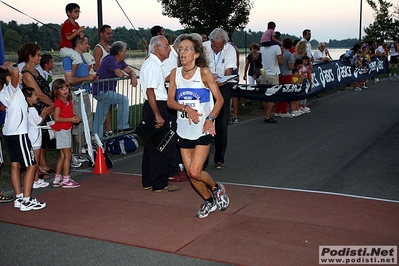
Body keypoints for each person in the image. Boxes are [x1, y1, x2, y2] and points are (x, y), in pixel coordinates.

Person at [167, 34, 229, 218]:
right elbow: (170, 102)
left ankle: (217, 188)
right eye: (180, 49)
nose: (182, 52)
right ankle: (209, 201)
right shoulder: (175, 74)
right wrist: (184, 106)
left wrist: (210, 118)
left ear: (196, 54)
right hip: (184, 129)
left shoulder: (204, 73)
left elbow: (220, 100)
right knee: (191, 173)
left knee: (195, 170)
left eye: (187, 49)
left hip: (203, 128)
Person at [0, 62, 46, 211]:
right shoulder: (10, 90)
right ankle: (26, 199)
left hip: (10, 132)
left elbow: (14, 75)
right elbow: (14, 73)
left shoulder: (11, 91)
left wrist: (10, 69)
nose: (20, 76)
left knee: (15, 165)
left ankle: (19, 198)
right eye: (18, 74)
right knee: (32, 164)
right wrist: (10, 67)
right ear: (8, 77)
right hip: (18, 133)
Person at [139, 35, 179, 193]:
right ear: (156, 48)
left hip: (153, 105)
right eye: (166, 46)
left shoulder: (154, 64)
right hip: (156, 105)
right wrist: (158, 114)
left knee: (151, 146)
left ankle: (148, 180)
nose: (169, 49)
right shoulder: (153, 65)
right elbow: (150, 90)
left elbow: (157, 84)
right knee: (162, 146)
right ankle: (160, 183)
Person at [202, 28, 237, 169]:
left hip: (222, 87)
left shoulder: (230, 49)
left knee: (221, 124)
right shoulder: (203, 47)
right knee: (204, 122)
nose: (217, 49)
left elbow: (229, 70)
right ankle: (202, 160)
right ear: (210, 42)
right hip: (205, 86)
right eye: (215, 46)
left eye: (220, 46)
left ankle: (219, 159)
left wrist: (223, 80)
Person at [19, 43, 54, 176]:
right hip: (37, 106)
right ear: (30, 56)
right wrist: (51, 104)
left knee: (43, 138)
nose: (40, 57)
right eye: (38, 55)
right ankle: (36, 168)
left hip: (44, 104)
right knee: (37, 137)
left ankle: (42, 164)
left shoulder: (36, 70)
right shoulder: (27, 73)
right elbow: (38, 94)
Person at [92, 41, 138, 138]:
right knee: (123, 100)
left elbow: (129, 71)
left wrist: (132, 75)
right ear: (118, 52)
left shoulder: (120, 61)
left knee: (100, 118)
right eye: (124, 51)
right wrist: (128, 75)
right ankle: (123, 126)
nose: (126, 53)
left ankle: (97, 140)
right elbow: (120, 74)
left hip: (107, 90)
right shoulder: (110, 59)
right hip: (101, 91)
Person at [63, 35, 97, 153]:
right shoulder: (69, 59)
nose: (88, 46)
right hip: (77, 95)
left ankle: (85, 147)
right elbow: (69, 80)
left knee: (87, 122)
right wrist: (87, 77)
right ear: (79, 44)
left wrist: (91, 78)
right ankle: (80, 150)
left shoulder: (83, 58)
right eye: (86, 43)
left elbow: (82, 77)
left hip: (85, 93)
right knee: (78, 123)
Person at [50, 78, 81, 188]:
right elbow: (57, 118)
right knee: (68, 154)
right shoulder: (58, 103)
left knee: (63, 155)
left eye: (66, 87)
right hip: (62, 130)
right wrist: (70, 120)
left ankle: (57, 178)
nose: (65, 90)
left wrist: (73, 118)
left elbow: (66, 115)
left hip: (66, 129)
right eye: (62, 88)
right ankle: (66, 178)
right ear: (56, 90)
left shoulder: (67, 101)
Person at [22, 87, 51, 188]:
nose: (36, 97)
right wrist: (44, 113)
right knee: (35, 161)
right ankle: (35, 180)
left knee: (34, 161)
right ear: (28, 98)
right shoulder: (31, 109)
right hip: (35, 139)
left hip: (32, 137)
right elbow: (39, 121)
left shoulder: (26, 109)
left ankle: (35, 179)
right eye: (34, 96)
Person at [93, 24, 113, 137]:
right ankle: (99, 134)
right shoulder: (98, 48)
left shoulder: (110, 49)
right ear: (101, 34)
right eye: (108, 33)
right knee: (103, 108)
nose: (110, 35)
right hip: (102, 85)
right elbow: (96, 67)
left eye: (111, 33)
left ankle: (108, 131)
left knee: (108, 107)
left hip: (110, 83)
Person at [260, 32, 284, 123]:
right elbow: (281, 62)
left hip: (264, 73)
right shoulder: (276, 47)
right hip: (273, 74)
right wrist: (281, 52)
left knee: (265, 96)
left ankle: (266, 114)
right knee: (272, 96)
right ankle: (267, 116)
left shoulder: (263, 48)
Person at [58, 3, 85, 76]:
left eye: (78, 12)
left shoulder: (76, 24)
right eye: (75, 11)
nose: (78, 14)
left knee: (86, 57)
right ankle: (72, 75)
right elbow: (68, 37)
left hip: (72, 48)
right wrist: (78, 30)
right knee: (76, 57)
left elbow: (79, 34)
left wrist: (81, 33)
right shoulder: (67, 24)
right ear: (69, 13)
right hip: (65, 48)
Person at [275, 38, 295, 118]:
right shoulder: (289, 54)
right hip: (287, 74)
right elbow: (290, 67)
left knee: (279, 93)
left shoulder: (280, 54)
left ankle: (277, 111)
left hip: (279, 74)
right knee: (286, 93)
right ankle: (284, 111)